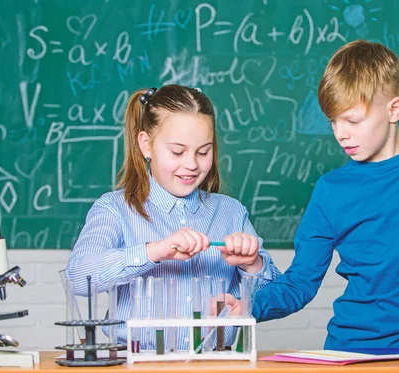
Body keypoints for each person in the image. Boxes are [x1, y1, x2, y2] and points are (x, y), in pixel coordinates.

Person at [229, 40, 399, 352]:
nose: (340, 133)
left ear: (393, 109)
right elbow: (300, 282)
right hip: (352, 350)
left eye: (352, 120)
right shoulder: (330, 190)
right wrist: (246, 307)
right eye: (333, 121)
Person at [66, 84, 281, 350]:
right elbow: (78, 278)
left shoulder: (231, 212)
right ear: (146, 144)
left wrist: (253, 264)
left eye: (203, 152)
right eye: (177, 152)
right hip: (136, 365)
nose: (191, 164)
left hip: (214, 365)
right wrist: (154, 251)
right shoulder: (114, 209)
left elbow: (275, 296)